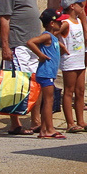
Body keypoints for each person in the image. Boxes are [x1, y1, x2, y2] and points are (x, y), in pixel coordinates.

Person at [0, 0, 42, 135]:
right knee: (18, 84)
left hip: (31, 43)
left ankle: (36, 120)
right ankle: (15, 122)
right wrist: (6, 46)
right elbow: (4, 19)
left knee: (35, 82)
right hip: (17, 43)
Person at [57, 0, 87, 133]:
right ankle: (70, 123)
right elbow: (54, 34)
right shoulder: (66, 23)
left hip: (80, 60)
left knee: (80, 91)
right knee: (69, 91)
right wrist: (59, 44)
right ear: (72, 6)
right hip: (70, 61)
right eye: (79, 4)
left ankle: (81, 120)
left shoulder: (78, 21)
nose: (82, 6)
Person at [26, 11, 67, 139]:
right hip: (45, 73)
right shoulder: (47, 36)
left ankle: (44, 129)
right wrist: (40, 55)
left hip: (49, 73)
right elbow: (31, 42)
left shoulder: (53, 37)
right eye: (58, 22)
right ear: (51, 23)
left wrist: (62, 47)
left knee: (49, 100)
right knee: (49, 101)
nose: (61, 23)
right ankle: (49, 128)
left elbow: (56, 41)